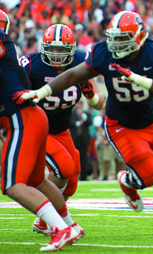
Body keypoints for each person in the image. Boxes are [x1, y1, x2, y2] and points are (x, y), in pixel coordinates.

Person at [13, 11, 153, 245]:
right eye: (113, 38)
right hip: (118, 124)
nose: (116, 44)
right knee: (147, 173)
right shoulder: (102, 52)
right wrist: (41, 92)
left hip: (151, 120)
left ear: (139, 37)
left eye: (123, 38)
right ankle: (114, 190)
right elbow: (73, 75)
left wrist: (138, 79)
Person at [0, 14, 82, 252]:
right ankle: (69, 225)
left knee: (13, 184)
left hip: (21, 118)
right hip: (34, 116)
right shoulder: (20, 56)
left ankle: (60, 229)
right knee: (37, 181)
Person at [18, 24, 104, 235]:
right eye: (53, 49)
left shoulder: (80, 63)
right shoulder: (30, 65)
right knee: (63, 168)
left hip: (62, 131)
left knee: (72, 182)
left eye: (62, 50)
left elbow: (98, 104)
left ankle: (43, 221)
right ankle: (64, 224)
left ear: (72, 49)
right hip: (38, 128)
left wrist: (89, 91)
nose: (57, 56)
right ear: (44, 47)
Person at [69, 99, 92, 181]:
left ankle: (83, 176)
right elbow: (69, 122)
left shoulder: (86, 113)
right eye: (78, 103)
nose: (80, 104)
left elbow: (89, 122)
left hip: (83, 139)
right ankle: (73, 177)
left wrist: (83, 115)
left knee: (83, 158)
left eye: (81, 103)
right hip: (74, 138)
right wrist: (78, 123)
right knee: (73, 158)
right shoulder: (71, 112)